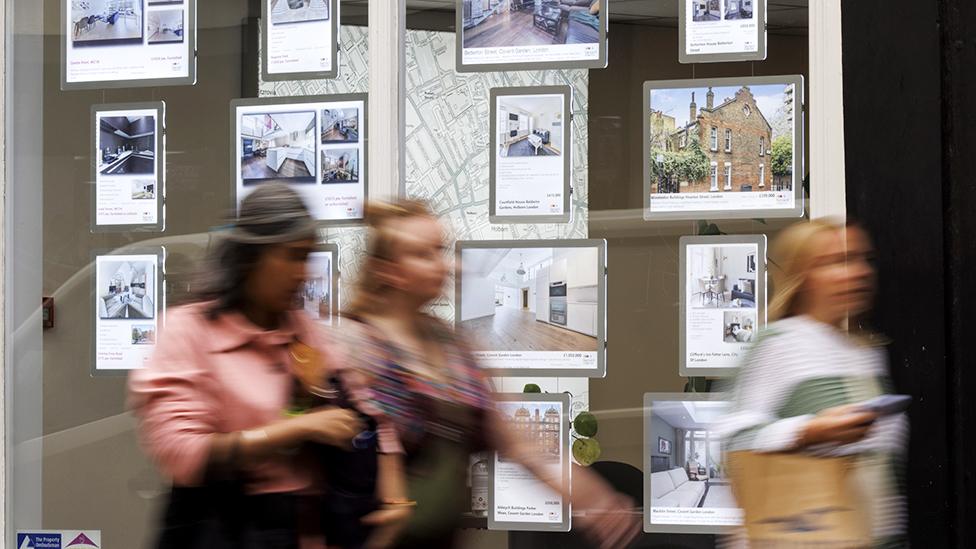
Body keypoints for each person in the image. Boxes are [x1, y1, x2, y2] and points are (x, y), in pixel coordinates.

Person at [327, 200, 641, 549]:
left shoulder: (453, 346)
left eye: (441, 249)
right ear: (387, 270)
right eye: (423, 253)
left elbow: (515, 442)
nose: (448, 264)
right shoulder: (353, 347)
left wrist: (592, 498)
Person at [129, 183, 366, 549]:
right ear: (250, 257)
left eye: (308, 258)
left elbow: (352, 405)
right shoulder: (188, 330)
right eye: (292, 256)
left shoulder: (301, 331)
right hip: (223, 528)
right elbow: (180, 451)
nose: (304, 273)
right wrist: (298, 430)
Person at [719, 219, 907, 546]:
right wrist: (809, 431)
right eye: (838, 261)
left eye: (864, 259)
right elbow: (734, 439)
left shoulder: (868, 352)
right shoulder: (779, 343)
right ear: (804, 276)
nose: (860, 271)